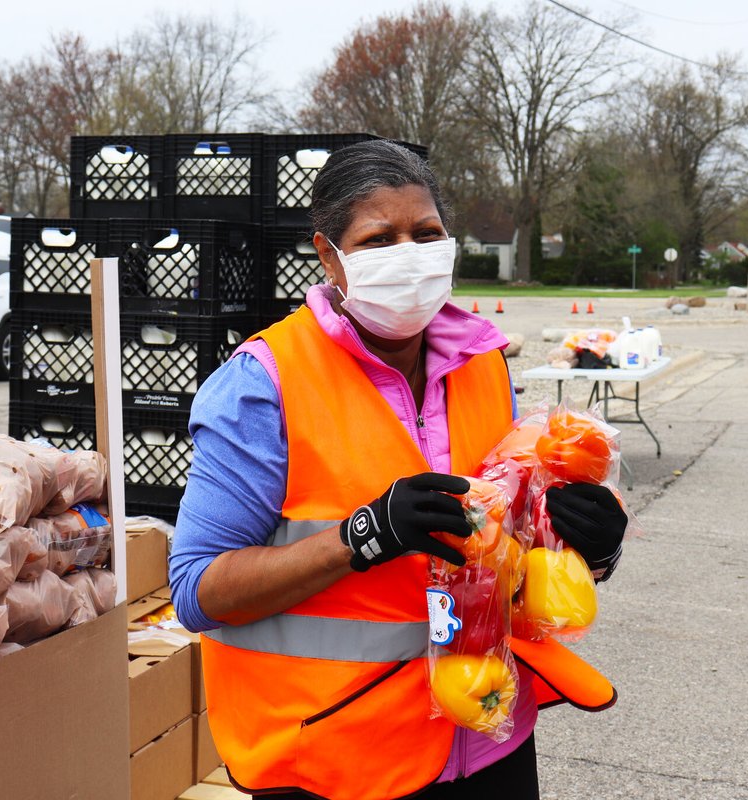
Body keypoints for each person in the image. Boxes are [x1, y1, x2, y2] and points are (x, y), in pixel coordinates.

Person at [168, 140, 628, 800]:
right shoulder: (265, 385)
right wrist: (364, 537)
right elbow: (196, 589)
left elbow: (508, 534)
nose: (409, 256)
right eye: (380, 239)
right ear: (330, 256)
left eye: (427, 233)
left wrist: (584, 542)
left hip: (488, 728)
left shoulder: (484, 365)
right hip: (339, 758)